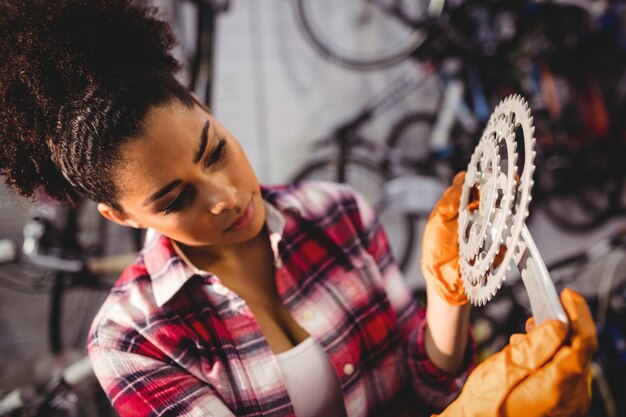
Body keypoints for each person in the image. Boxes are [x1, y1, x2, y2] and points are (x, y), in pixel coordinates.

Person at [0, 1, 597, 416]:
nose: (226, 196)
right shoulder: (132, 340)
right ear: (124, 218)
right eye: (177, 198)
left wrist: (448, 295)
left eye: (215, 151)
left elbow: (425, 381)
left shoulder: (336, 212)